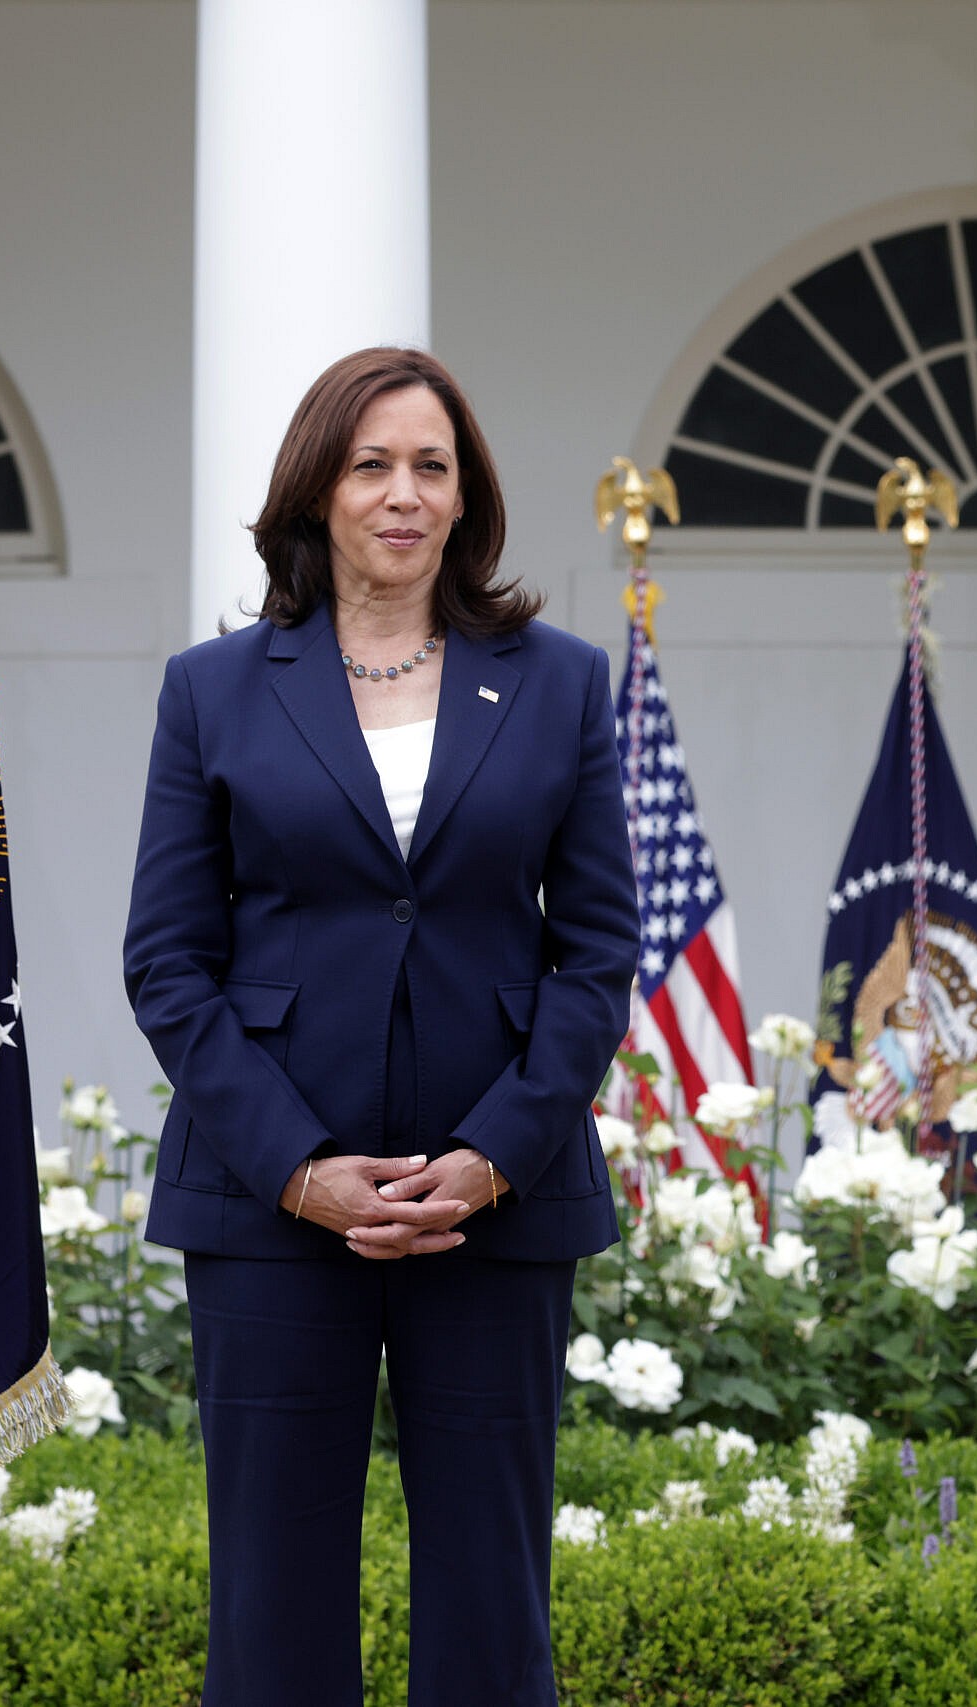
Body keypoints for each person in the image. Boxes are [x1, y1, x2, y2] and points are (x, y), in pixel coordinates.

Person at [124, 346, 638, 1706]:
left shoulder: (561, 683)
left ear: (466, 499)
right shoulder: (214, 689)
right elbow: (169, 963)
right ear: (319, 489)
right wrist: (296, 1167)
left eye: (431, 466)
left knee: (491, 1612)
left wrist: (496, 1155)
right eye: (372, 465)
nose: (402, 494)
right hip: (269, 1209)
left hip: (497, 1209)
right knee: (273, 1614)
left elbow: (597, 954)